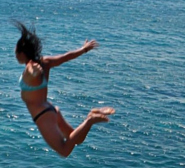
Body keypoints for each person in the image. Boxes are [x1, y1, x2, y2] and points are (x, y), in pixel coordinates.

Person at [13, 21, 114, 157]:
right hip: (51, 109)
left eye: (16, 51)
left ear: (22, 53)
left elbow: (31, 71)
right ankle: (91, 116)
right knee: (76, 139)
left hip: (42, 116)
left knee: (64, 150)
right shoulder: (45, 62)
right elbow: (65, 57)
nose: (15, 54)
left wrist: (33, 73)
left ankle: (90, 119)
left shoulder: (30, 67)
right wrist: (83, 49)